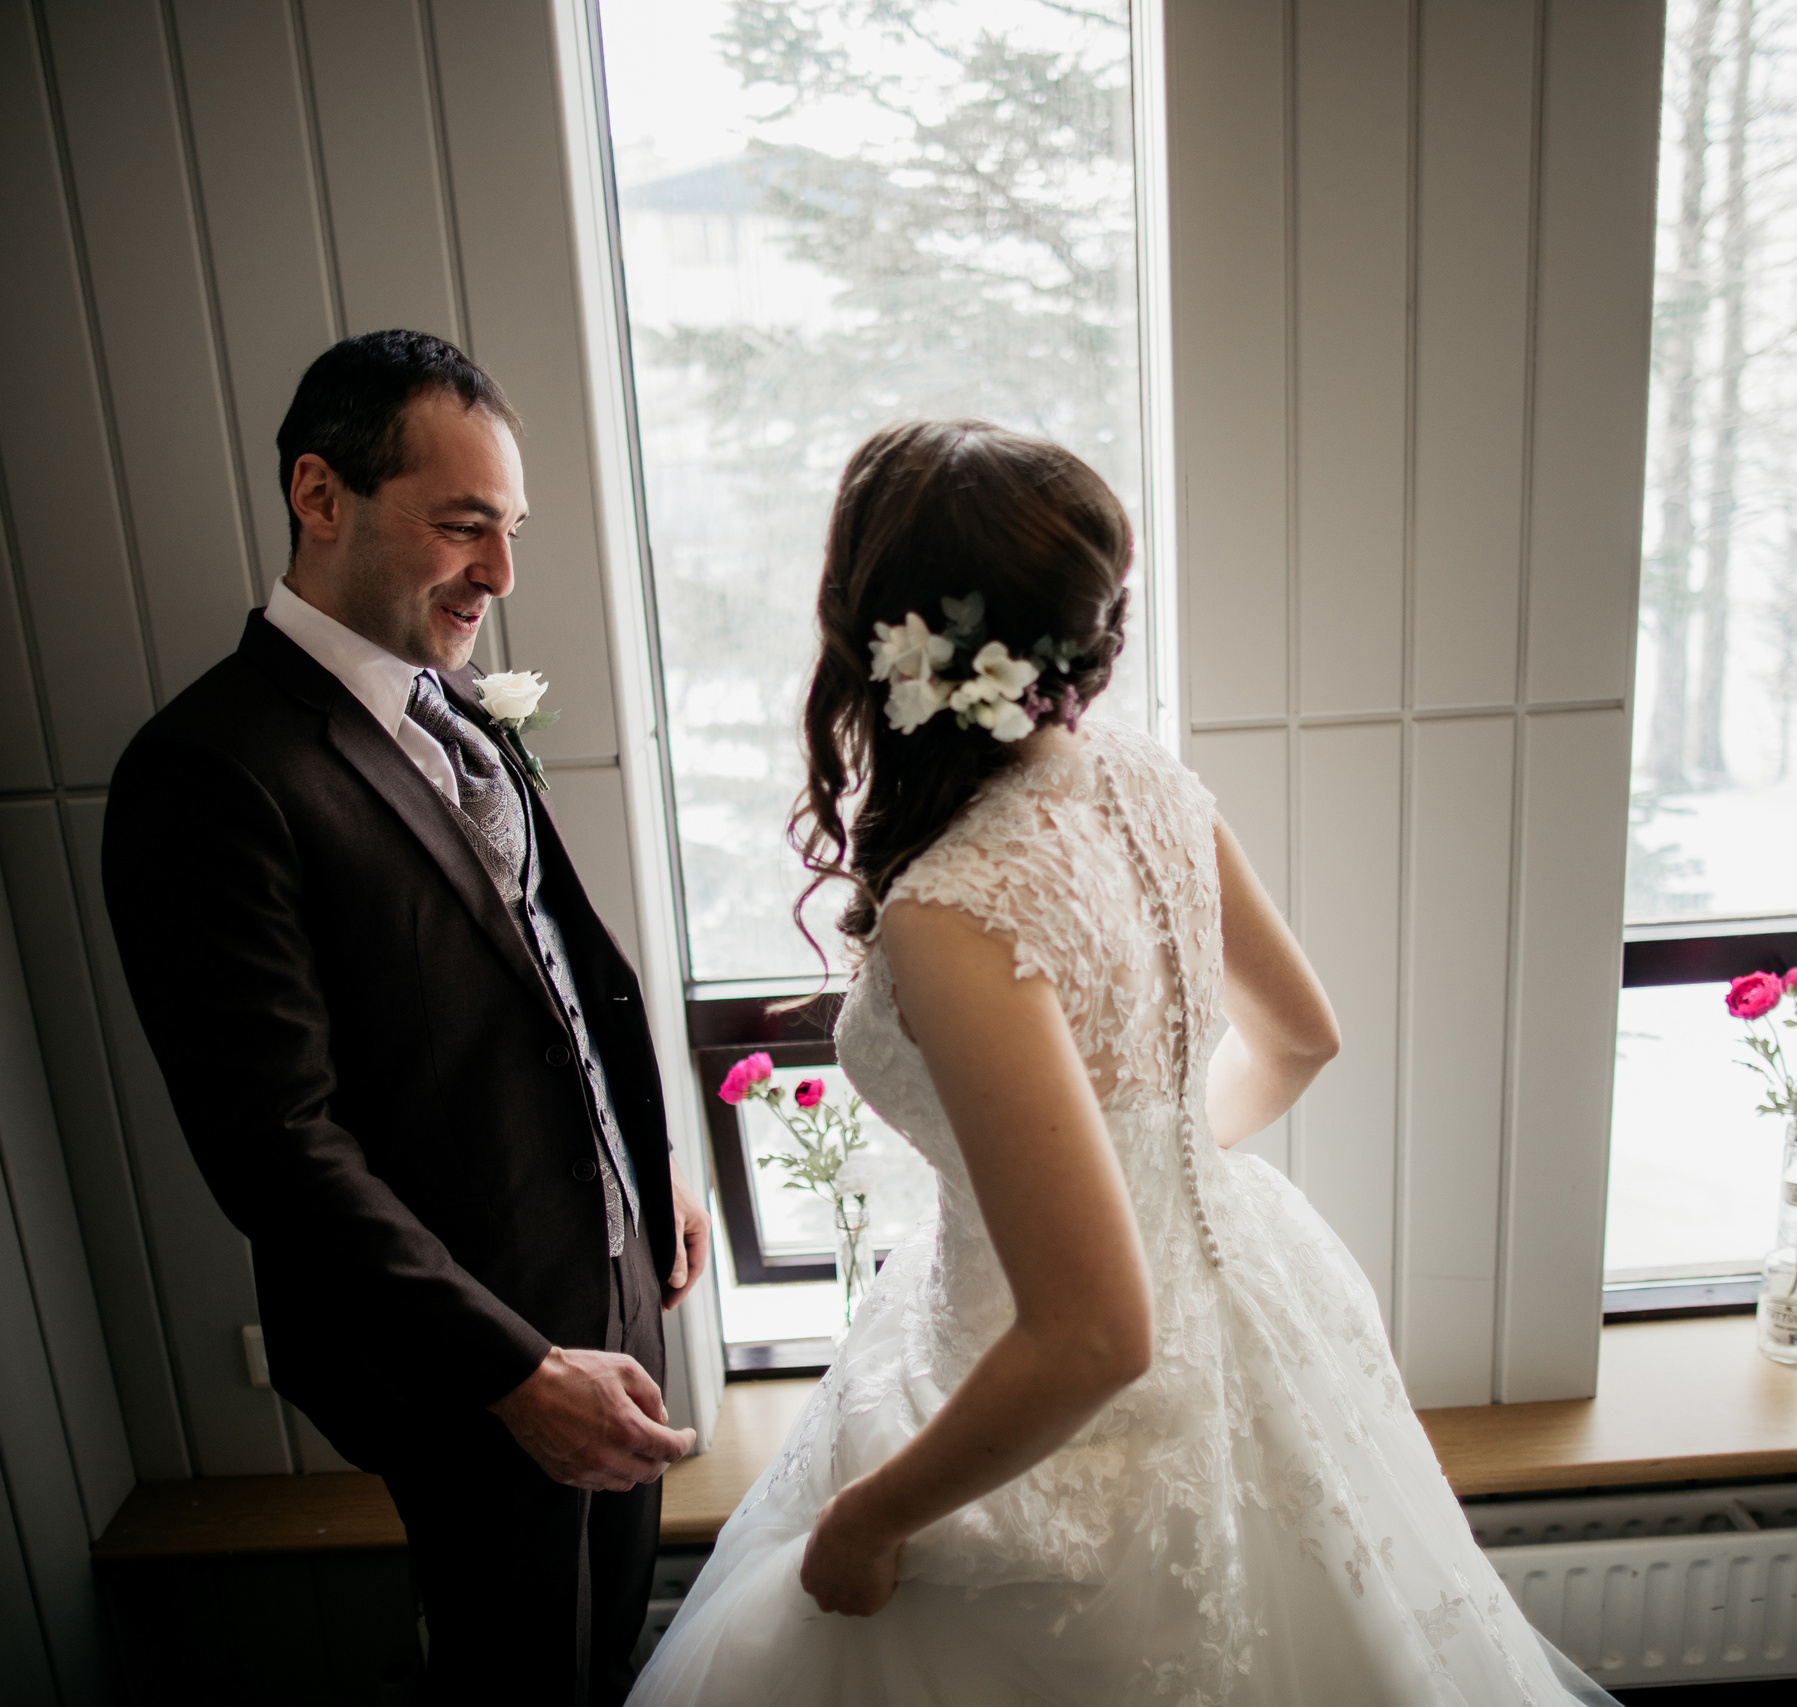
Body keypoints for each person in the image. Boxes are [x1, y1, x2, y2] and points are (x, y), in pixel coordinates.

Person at [630, 421, 1615, 1704]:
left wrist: (869, 1519)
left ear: (883, 631)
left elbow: (1094, 1331)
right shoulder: (1146, 781)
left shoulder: (955, 907)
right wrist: (1154, 1171)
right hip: (1248, 1299)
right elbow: (1304, 1038)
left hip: (1052, 1403)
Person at [102, 330, 715, 1705]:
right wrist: (508, 1368)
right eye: (462, 527)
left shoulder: (453, 710)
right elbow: (273, 1139)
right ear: (322, 497)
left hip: (604, 1269)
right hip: (471, 1350)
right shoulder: (207, 773)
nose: (500, 574)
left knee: (601, 1644)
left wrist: (647, 1157)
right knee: (515, 1670)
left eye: (510, 528)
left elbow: (543, 963)